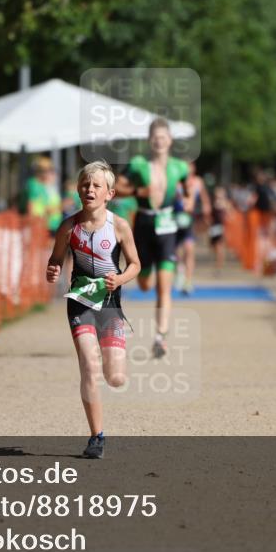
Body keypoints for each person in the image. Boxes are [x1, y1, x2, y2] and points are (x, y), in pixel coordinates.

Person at [46, 161, 140, 459]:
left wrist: (120, 279)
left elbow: (135, 264)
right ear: (78, 190)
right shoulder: (68, 227)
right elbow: (55, 259)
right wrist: (52, 269)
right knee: (89, 364)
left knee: (115, 377)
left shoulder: (119, 226)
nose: (90, 189)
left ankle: (115, 365)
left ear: (109, 193)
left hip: (109, 303)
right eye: (85, 185)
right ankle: (96, 436)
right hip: (80, 300)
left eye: (97, 185)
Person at [115, 118, 189, 358]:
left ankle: (161, 337)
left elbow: (188, 191)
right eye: (155, 138)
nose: (159, 142)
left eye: (163, 137)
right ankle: (146, 276)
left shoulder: (180, 167)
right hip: (144, 226)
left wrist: (187, 202)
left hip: (167, 228)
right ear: (150, 141)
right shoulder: (138, 165)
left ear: (170, 140)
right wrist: (138, 191)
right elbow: (116, 188)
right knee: (145, 284)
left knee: (164, 288)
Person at [175, 161, 211, 295]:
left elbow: (204, 198)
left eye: (190, 166)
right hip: (175, 219)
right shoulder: (176, 181)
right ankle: (180, 272)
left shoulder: (198, 182)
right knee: (177, 251)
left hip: (189, 219)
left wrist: (206, 209)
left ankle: (188, 280)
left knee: (189, 249)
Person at [26, 156, 63, 236]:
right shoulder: (34, 184)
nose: (48, 173)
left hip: (47, 222)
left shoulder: (44, 186)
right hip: (39, 222)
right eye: (47, 171)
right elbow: (31, 204)